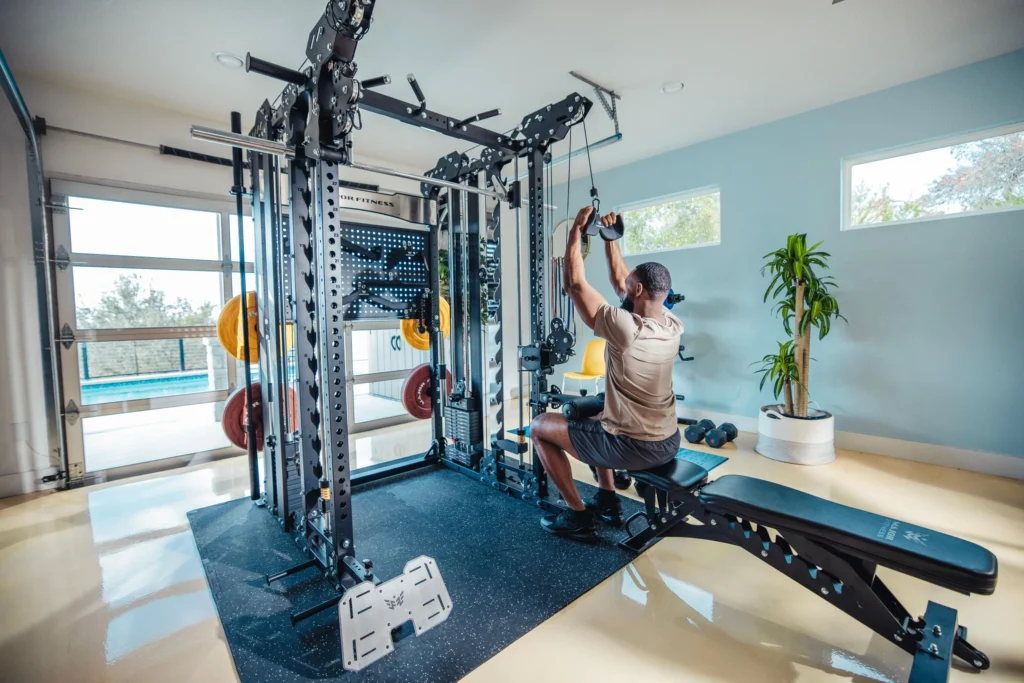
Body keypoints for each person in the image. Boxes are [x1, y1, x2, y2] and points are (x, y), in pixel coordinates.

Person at [530, 205, 684, 538]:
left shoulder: (626, 329)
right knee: (599, 410)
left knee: (540, 427)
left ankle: (578, 516)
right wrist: (610, 240)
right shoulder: (671, 324)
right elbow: (622, 286)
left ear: (639, 291)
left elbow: (574, 284)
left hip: (635, 448)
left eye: (631, 285)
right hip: (669, 440)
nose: (624, 286)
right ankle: (607, 496)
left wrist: (575, 233)